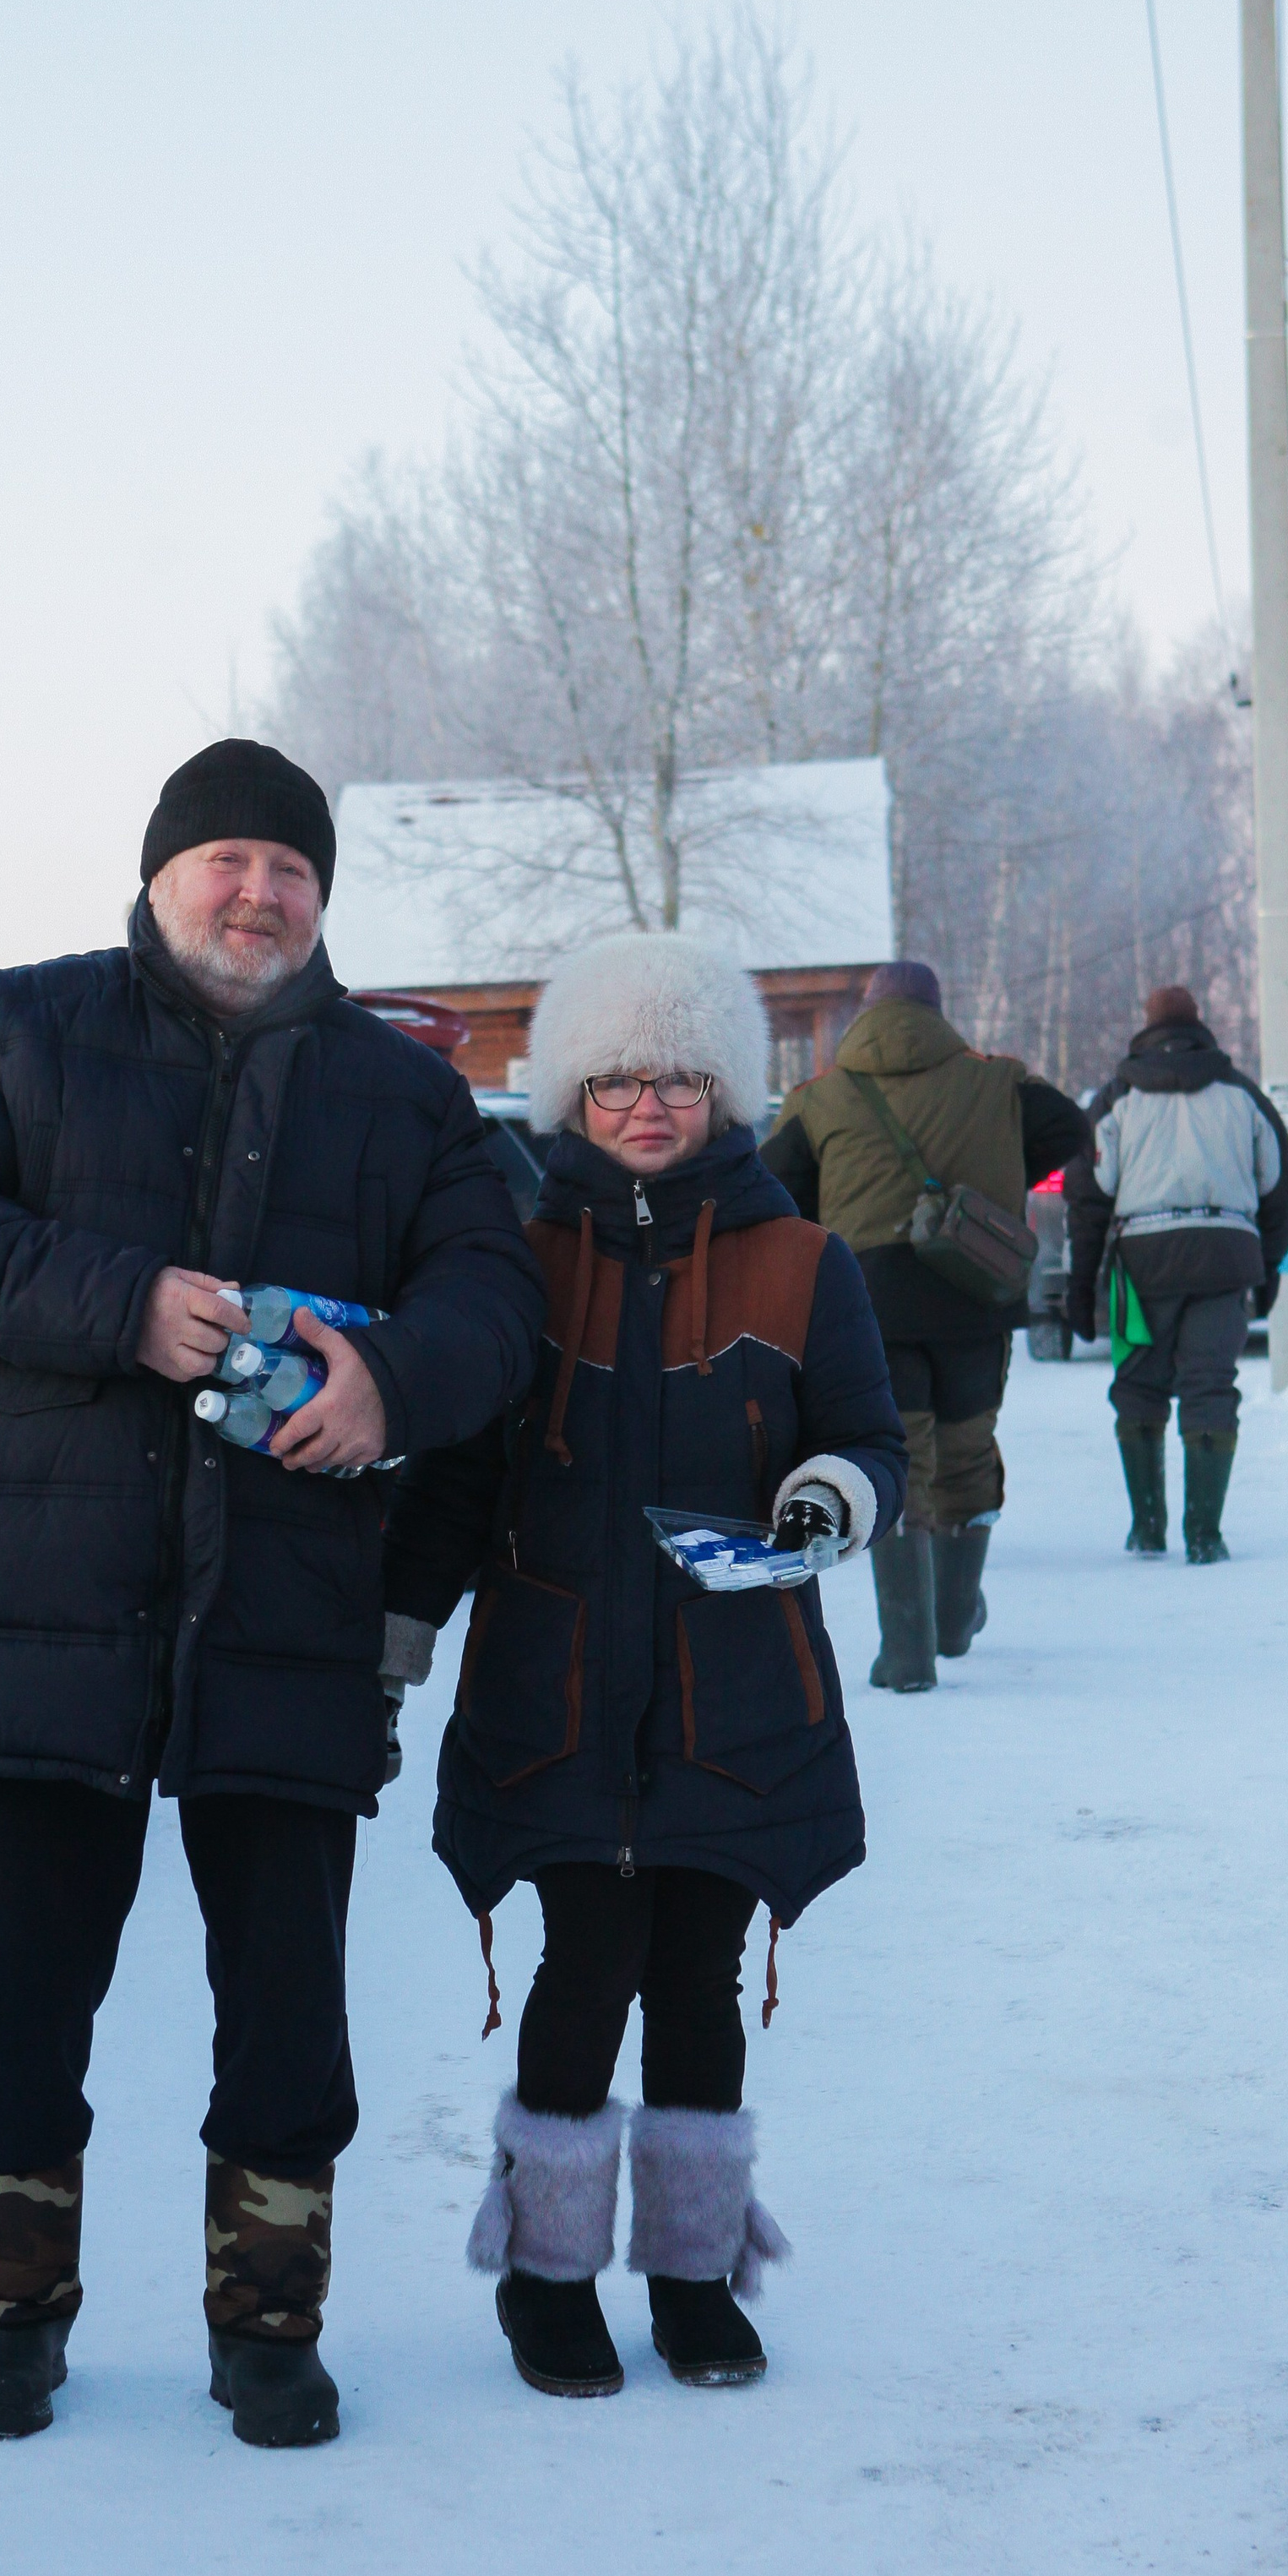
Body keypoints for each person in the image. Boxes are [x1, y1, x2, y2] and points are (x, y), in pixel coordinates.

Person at [0, 738, 543, 2448]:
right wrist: (120, 1302)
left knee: (288, 2010)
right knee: (15, 1996)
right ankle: (7, 2310)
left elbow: (494, 1298)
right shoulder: (14, 1027)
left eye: (290, 868)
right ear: (159, 876)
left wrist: (392, 1384)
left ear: (322, 898)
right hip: (38, 1599)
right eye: (225, 858)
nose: (257, 891)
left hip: (290, 1608)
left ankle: (270, 2322)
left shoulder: (402, 1097)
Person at [379, 934, 905, 2398]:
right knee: (586, 1965)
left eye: (679, 1077)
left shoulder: (804, 1260)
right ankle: (547, 2277)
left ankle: (691, 2272)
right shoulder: (516, 1264)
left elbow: (868, 1440)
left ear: (724, 1088)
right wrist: (395, 1641)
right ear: (573, 1095)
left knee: (699, 1978)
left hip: (736, 1693)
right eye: (615, 1079)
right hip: (553, 1687)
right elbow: (458, 1472)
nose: (648, 1106)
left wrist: (828, 1499)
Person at [758, 960, 1089, 1691]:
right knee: (968, 1450)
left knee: (900, 1459)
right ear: (936, 1010)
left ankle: (908, 1652)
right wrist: (999, 1170)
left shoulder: (820, 1096)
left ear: (866, 1012)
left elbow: (773, 1187)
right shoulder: (998, 1082)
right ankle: (955, 1616)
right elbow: (1070, 1126)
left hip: (868, 1303)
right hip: (974, 1291)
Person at [1062, 984, 1288, 1563]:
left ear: (1146, 1029)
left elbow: (1088, 1196)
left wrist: (1081, 1283)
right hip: (1226, 1258)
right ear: (1199, 1027)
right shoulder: (1240, 1093)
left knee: (1139, 1386)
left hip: (1143, 1265)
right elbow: (1284, 1182)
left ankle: (1148, 1528)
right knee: (1210, 1386)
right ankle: (1205, 1536)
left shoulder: (1118, 1098)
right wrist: (1269, 1263)